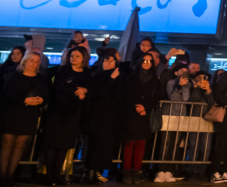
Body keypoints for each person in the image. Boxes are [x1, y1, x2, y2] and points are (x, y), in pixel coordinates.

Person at [0, 51, 49, 187]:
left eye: (37, 61)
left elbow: (46, 96)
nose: (34, 63)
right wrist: (24, 100)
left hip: (29, 115)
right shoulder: (14, 76)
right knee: (7, 144)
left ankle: (10, 177)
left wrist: (41, 100)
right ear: (25, 61)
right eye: (31, 60)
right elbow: (6, 94)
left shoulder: (41, 79)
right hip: (12, 112)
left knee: (20, 146)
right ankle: (2, 177)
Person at [42, 46, 93, 186]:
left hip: (74, 114)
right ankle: (49, 176)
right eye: (72, 56)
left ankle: (57, 174)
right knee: (52, 144)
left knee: (64, 145)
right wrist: (78, 94)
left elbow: (92, 88)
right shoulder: (63, 70)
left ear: (83, 58)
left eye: (77, 56)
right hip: (58, 111)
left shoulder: (87, 73)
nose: (73, 58)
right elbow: (60, 87)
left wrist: (85, 91)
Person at [121, 52, 162, 185]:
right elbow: (125, 94)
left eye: (149, 61)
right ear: (140, 62)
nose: (147, 63)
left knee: (141, 144)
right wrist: (136, 106)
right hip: (131, 113)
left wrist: (145, 107)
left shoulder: (155, 79)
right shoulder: (131, 77)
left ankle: (136, 172)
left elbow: (157, 96)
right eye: (144, 60)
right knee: (129, 143)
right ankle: (126, 172)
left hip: (146, 114)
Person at [86, 51, 125, 183]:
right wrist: (111, 78)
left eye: (112, 61)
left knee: (105, 146)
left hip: (110, 118)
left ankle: (98, 171)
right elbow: (100, 92)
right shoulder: (96, 76)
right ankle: (91, 173)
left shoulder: (120, 78)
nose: (108, 63)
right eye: (106, 60)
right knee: (95, 145)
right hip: (97, 116)